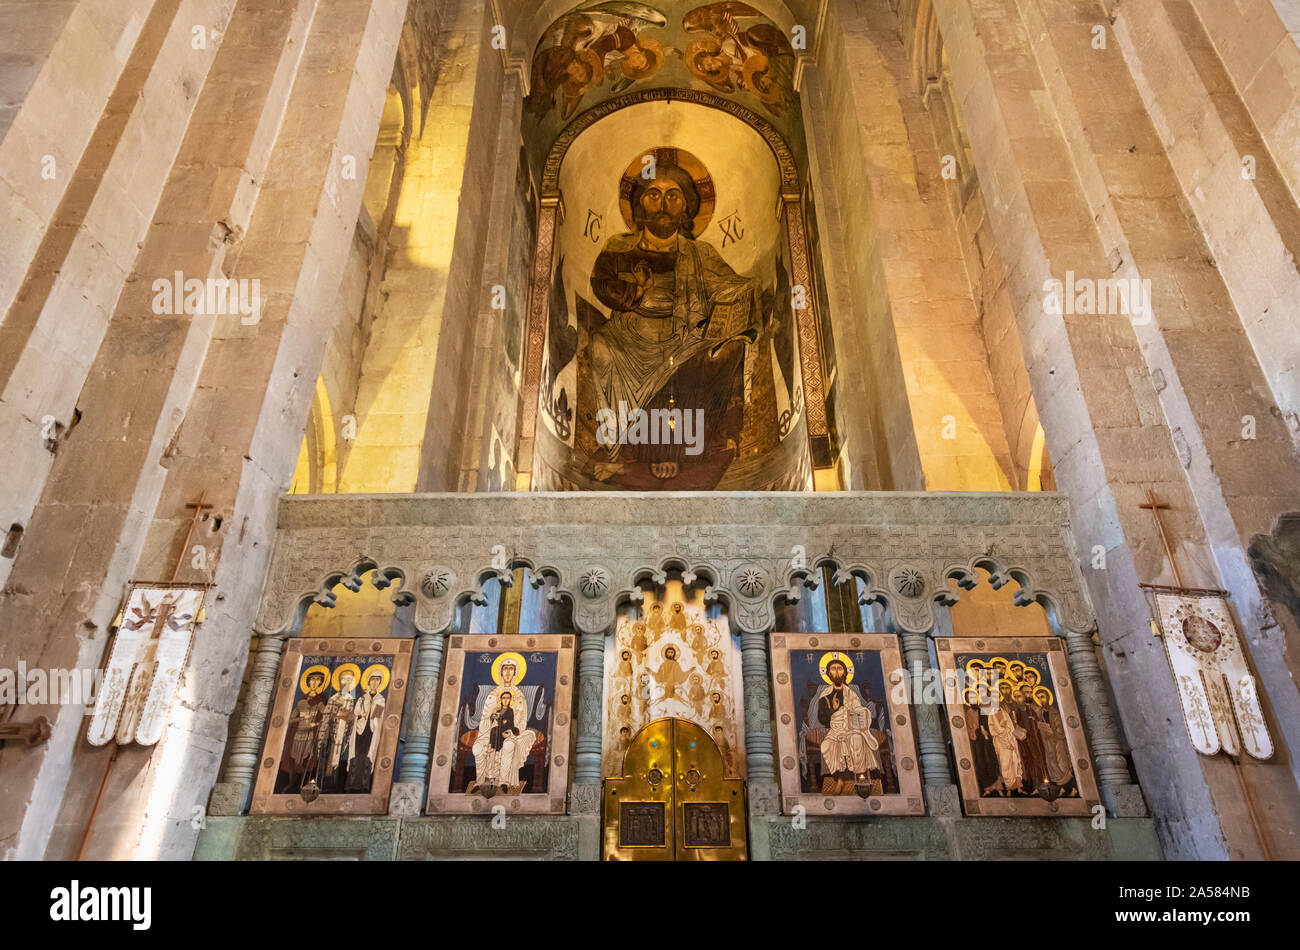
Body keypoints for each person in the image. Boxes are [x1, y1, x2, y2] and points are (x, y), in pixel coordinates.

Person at [588, 160, 758, 484]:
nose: (663, 204)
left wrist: (738, 302)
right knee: (601, 347)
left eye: (673, 196)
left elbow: (734, 287)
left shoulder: (702, 253)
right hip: (632, 335)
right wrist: (635, 295)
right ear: (639, 206)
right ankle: (619, 450)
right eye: (653, 194)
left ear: (686, 209)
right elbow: (602, 283)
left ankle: (713, 439)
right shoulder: (619, 248)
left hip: (687, 339)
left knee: (731, 348)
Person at [812, 657, 880, 797]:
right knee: (826, 745)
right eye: (833, 669)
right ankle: (840, 779)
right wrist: (833, 711)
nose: (836, 672)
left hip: (852, 727)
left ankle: (860, 776)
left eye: (839, 669)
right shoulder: (825, 695)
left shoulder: (851, 693)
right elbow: (822, 718)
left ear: (844, 672)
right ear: (829, 674)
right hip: (835, 729)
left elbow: (859, 711)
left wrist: (857, 720)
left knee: (856, 739)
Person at [470, 658, 538, 796]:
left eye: (511, 669)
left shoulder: (519, 696)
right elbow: (484, 719)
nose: (508, 672)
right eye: (505, 669)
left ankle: (504, 782)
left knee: (508, 746)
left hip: (510, 735)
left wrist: (510, 732)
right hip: (489, 733)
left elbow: (521, 722)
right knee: (477, 748)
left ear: (515, 672)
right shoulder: (492, 696)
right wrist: (490, 723)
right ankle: (480, 781)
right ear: (500, 672)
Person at [345, 670, 386, 792]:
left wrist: (373, 715)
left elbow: (378, 717)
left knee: (367, 757)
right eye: (372, 679)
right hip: (359, 731)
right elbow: (354, 715)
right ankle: (351, 785)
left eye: (377, 680)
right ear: (369, 681)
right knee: (356, 756)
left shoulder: (381, 699)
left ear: (380, 682)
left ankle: (364, 786)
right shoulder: (362, 699)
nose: (374, 682)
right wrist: (360, 716)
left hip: (371, 731)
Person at [1034, 687, 1076, 792]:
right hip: (1047, 743)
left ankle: (1070, 788)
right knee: (1051, 763)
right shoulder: (1039, 713)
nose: (1041, 700)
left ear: (1048, 697)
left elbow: (1061, 730)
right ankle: (1059, 787)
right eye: (1038, 698)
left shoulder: (1055, 712)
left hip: (1058, 742)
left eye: (1042, 697)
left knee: (1061, 763)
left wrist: (1053, 732)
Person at [986, 680, 1024, 796]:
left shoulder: (1004, 712)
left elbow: (1011, 727)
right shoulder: (991, 714)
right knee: (1005, 764)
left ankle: (1018, 786)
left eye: (997, 697)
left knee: (1015, 761)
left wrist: (1009, 733)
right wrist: (1001, 730)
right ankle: (1009, 787)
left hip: (1010, 740)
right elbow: (992, 730)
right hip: (1001, 742)